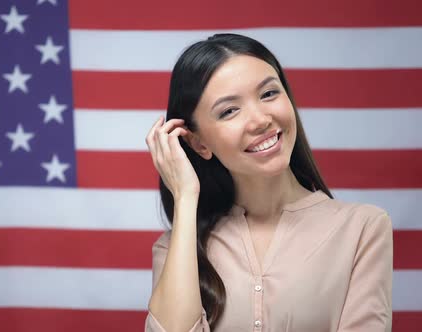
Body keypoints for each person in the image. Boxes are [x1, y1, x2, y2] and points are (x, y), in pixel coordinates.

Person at [144, 33, 393, 332]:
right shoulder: (177, 248)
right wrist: (185, 196)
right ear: (199, 144)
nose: (261, 120)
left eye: (269, 94)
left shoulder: (363, 229)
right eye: (229, 111)